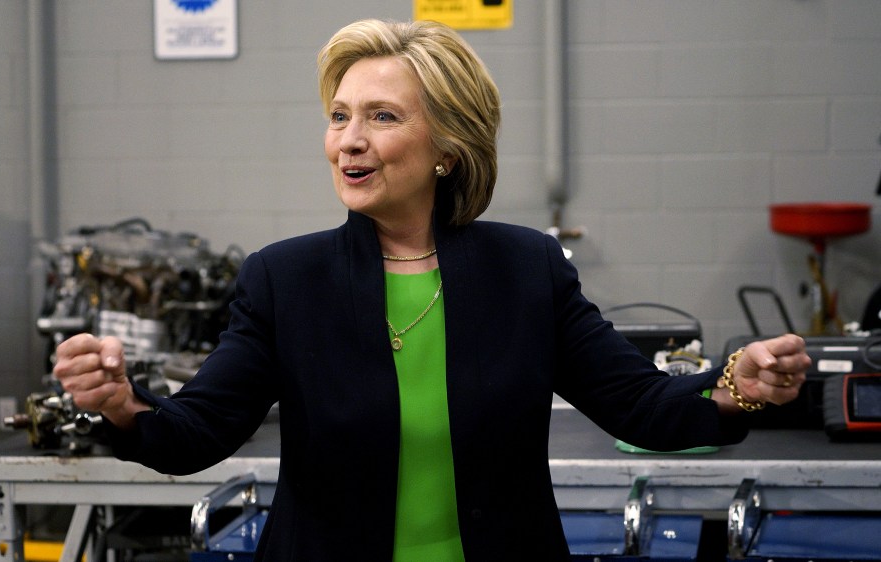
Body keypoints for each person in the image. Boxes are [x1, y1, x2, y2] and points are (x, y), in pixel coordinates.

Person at [54, 18, 811, 561]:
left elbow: (639, 405)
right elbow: (201, 432)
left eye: (382, 117)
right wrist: (124, 406)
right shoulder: (286, 280)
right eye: (340, 117)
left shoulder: (526, 270)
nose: (349, 139)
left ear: (447, 147)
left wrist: (735, 388)